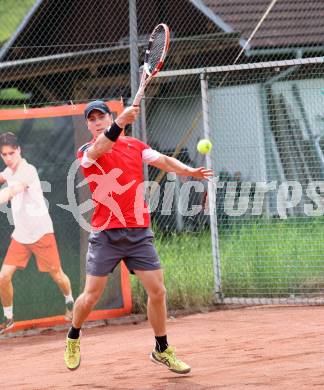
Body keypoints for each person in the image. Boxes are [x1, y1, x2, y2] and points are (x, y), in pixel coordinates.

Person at [64, 100, 213, 373]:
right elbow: (101, 148)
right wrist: (119, 122)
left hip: (138, 231)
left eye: (102, 117)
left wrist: (187, 171)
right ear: (88, 125)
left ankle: (162, 349)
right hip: (106, 234)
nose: (97, 122)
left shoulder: (135, 145)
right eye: (92, 119)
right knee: (91, 296)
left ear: (108, 117)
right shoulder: (87, 151)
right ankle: (74, 335)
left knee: (157, 290)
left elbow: (163, 160)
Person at [0, 132, 74, 333]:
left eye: (11, 153)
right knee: (3, 277)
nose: (8, 158)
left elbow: (11, 192)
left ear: (19, 151)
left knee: (57, 276)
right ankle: (9, 318)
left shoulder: (28, 170)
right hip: (21, 235)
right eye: (4, 154)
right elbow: (2, 178)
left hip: (42, 233)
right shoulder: (8, 171)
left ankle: (70, 303)